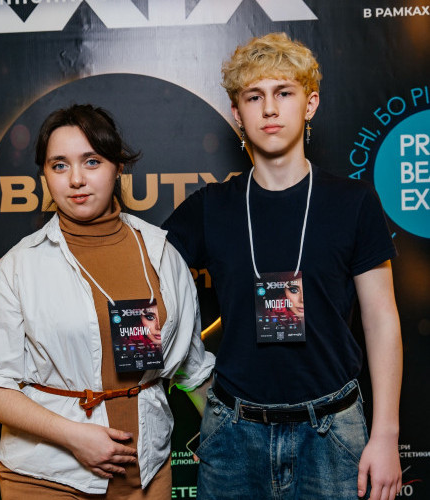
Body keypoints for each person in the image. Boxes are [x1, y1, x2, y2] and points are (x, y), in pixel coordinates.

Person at [162, 33, 403, 499]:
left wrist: (386, 435)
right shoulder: (212, 207)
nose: (269, 109)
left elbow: (382, 319)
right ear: (238, 114)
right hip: (233, 435)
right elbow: (137, 275)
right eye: (254, 97)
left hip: (332, 434)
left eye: (284, 93)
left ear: (310, 104)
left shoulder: (353, 202)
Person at [0, 104, 214, 499]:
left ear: (118, 167)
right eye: (59, 165)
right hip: (48, 475)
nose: (76, 179)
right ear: (44, 175)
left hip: (147, 472)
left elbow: (193, 370)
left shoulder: (161, 254)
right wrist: (74, 436)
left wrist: (228, 444)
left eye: (92, 161)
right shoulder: (17, 267)